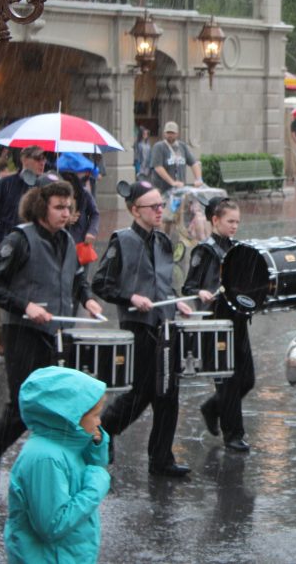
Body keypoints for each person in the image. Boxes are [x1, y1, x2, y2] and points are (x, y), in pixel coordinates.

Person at [0, 175, 104, 486]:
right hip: (22, 331)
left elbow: (77, 279)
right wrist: (26, 306)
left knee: (53, 401)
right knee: (24, 403)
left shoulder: (66, 240)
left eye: (69, 207)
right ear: (41, 208)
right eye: (59, 207)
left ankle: (53, 465)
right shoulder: (19, 239)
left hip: (55, 331)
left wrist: (88, 300)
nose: (66, 213)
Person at [93, 180, 194, 477]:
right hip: (138, 326)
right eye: (154, 207)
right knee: (140, 393)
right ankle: (104, 428)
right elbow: (101, 283)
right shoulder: (121, 240)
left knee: (168, 392)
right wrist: (130, 297)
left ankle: (161, 458)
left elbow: (164, 284)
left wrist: (177, 303)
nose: (161, 210)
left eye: (162, 205)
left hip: (165, 325)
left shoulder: (163, 240)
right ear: (135, 210)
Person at [4, 366, 110, 564]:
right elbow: (52, 525)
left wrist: (95, 445)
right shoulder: (45, 459)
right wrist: (96, 486)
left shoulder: (65, 442)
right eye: (94, 415)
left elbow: (89, 468)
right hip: (50, 557)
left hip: (65, 554)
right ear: (70, 417)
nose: (99, 421)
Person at [181, 197, 254, 452]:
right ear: (215, 220)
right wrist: (200, 292)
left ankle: (212, 408)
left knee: (247, 379)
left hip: (238, 321)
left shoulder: (236, 248)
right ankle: (233, 434)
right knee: (229, 381)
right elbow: (189, 286)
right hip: (217, 323)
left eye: (237, 222)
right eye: (230, 221)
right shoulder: (205, 251)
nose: (235, 226)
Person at [57, 152, 100, 252]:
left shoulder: (84, 194)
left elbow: (95, 214)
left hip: (80, 244)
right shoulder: (54, 193)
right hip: (59, 245)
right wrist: (64, 220)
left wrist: (92, 232)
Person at [149, 121, 203, 195]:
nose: (170, 135)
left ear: (177, 134)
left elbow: (194, 163)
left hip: (180, 189)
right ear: (164, 133)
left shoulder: (182, 146)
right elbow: (158, 167)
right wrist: (172, 182)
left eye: (172, 133)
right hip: (163, 190)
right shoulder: (159, 146)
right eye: (168, 132)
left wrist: (198, 179)